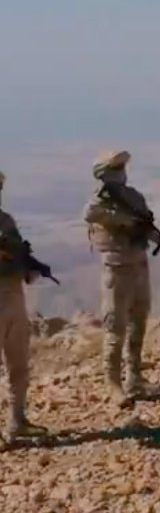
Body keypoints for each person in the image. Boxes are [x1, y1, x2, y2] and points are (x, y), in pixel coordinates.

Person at [83, 150, 160, 408]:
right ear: (103, 174)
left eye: (121, 168)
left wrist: (159, 239)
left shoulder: (133, 197)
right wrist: (121, 219)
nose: (121, 173)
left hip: (139, 264)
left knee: (138, 322)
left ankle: (135, 377)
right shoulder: (99, 200)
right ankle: (113, 384)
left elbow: (144, 225)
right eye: (115, 169)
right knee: (115, 328)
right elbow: (90, 213)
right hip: (116, 269)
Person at [0, 171, 48, 447]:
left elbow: (18, 254)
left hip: (13, 296)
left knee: (18, 364)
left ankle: (17, 420)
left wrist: (29, 267)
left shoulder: (6, 221)